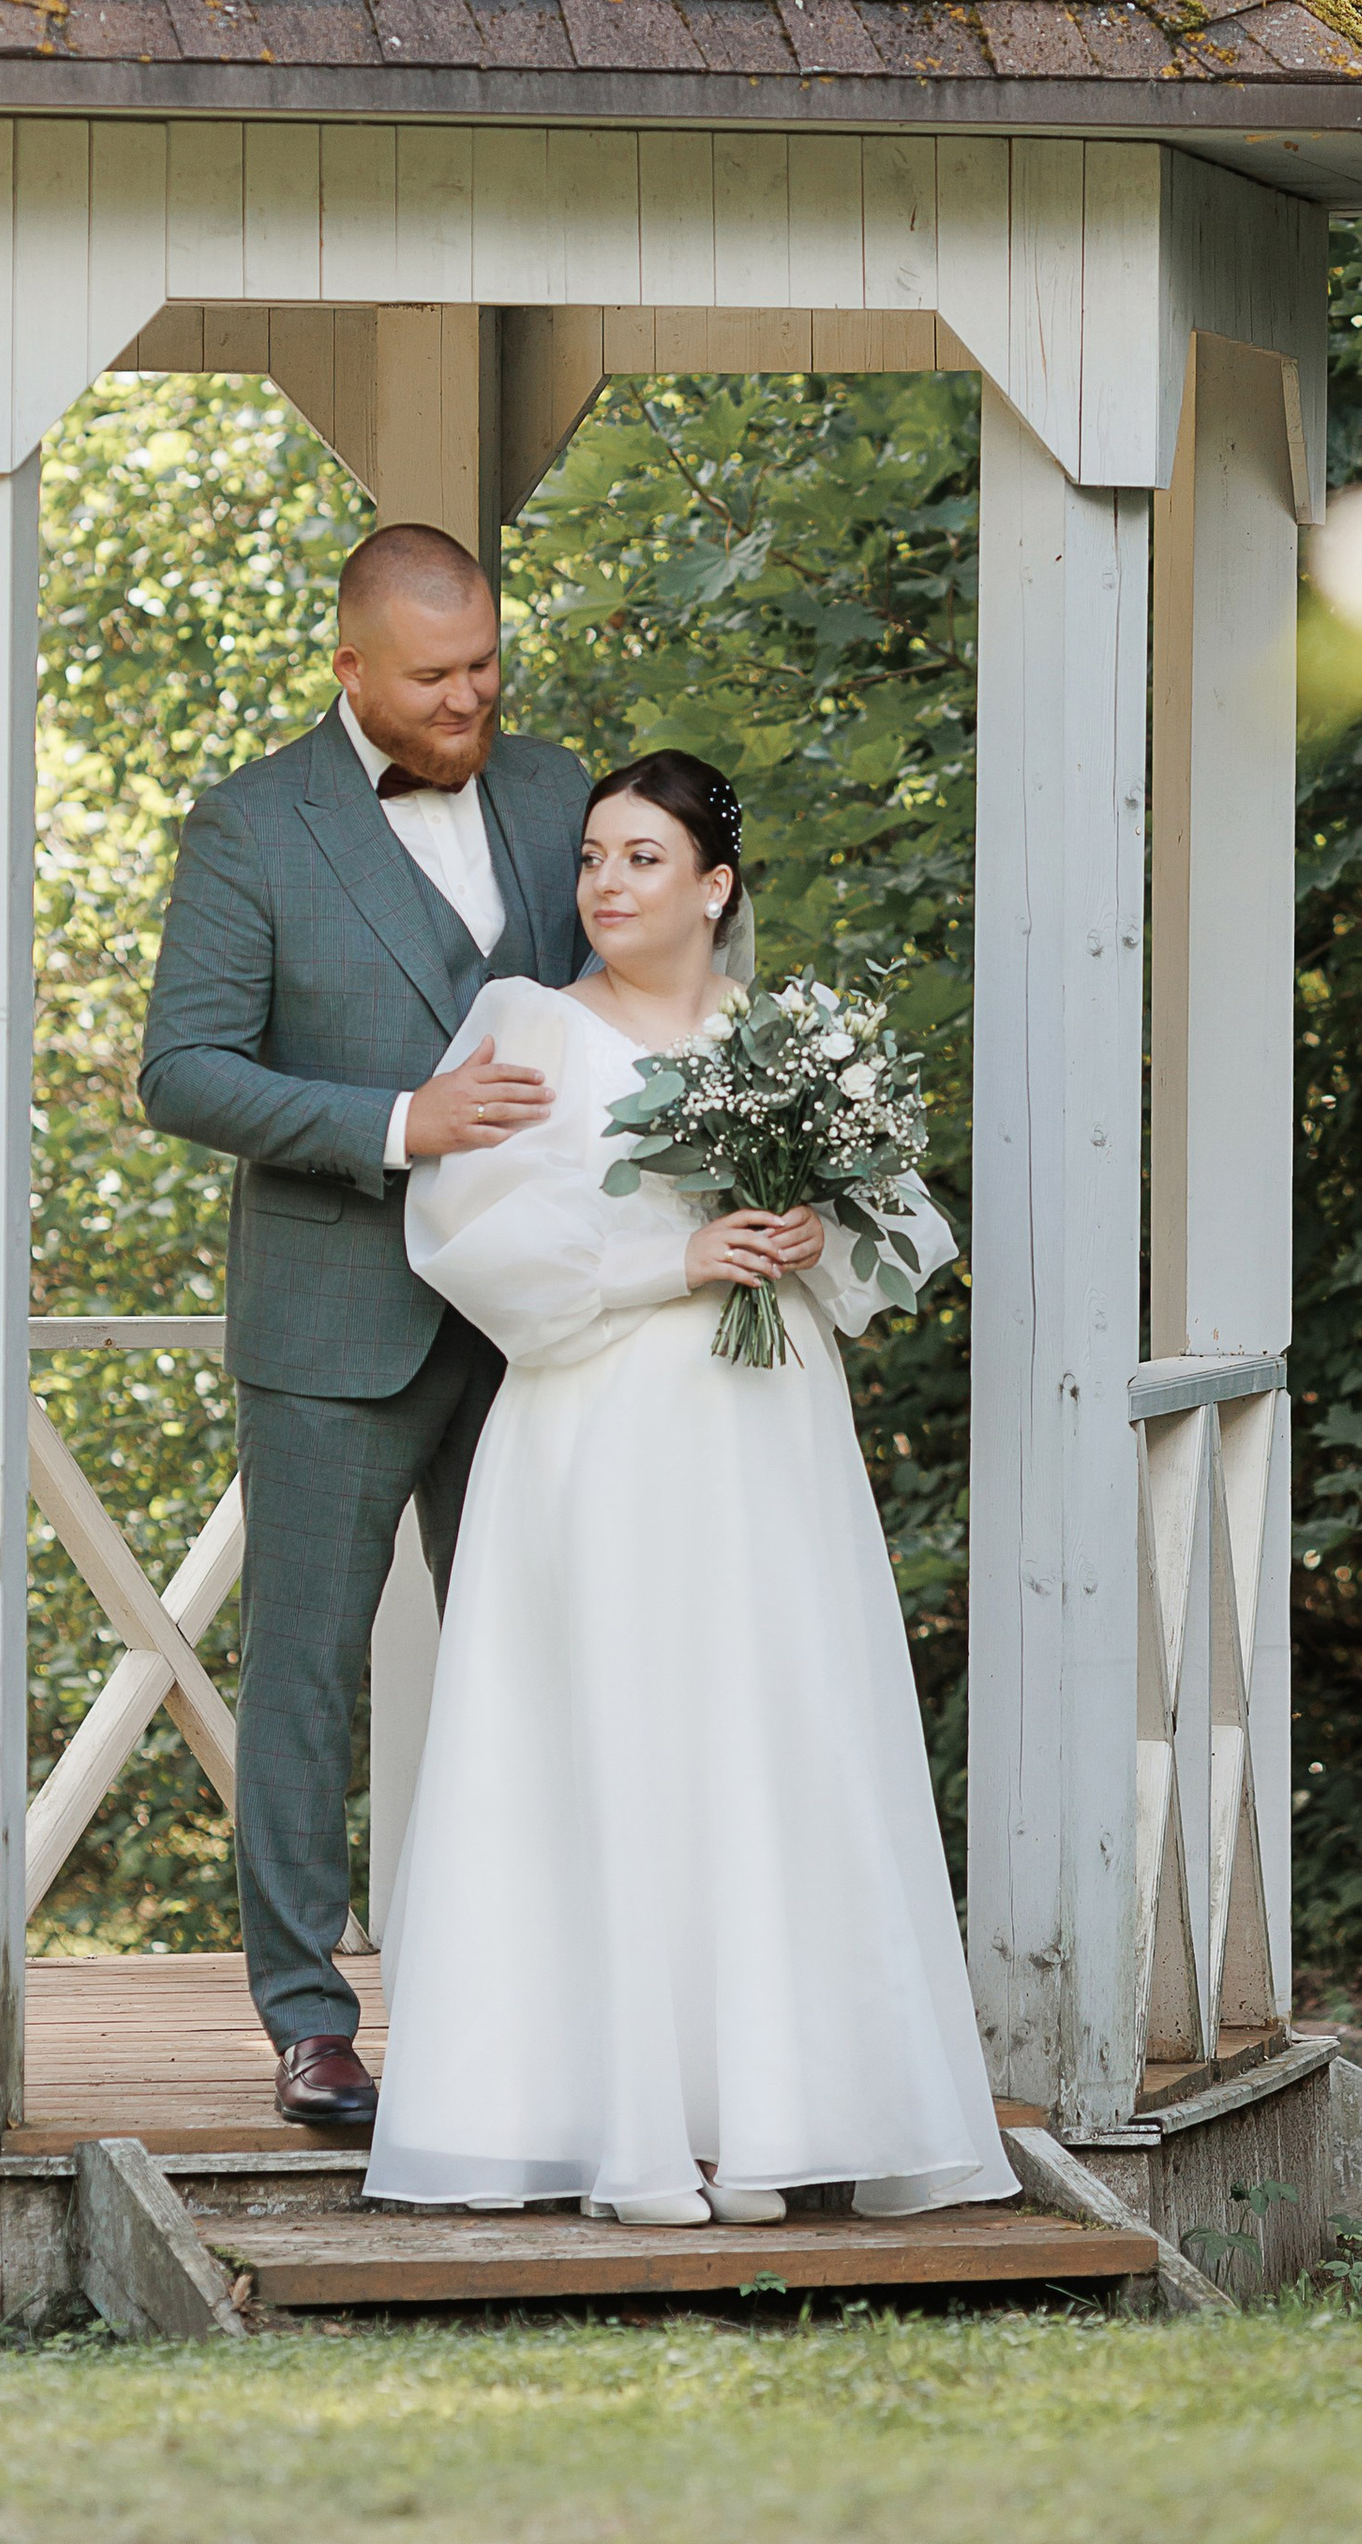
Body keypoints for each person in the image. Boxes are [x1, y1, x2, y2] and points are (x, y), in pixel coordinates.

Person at [364, 750, 1016, 2228]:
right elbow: (472, 1241)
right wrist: (677, 1257)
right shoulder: (528, 1029)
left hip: (765, 1430)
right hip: (597, 1432)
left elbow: (893, 1243)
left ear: (716, 886)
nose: (606, 883)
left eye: (643, 859)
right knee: (614, 1739)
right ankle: (626, 2131)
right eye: (593, 857)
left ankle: (764, 2120)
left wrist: (802, 1231)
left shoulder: (796, 1039)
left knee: (766, 1733)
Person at [137, 523, 592, 2128]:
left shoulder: (558, 795)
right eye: (434, 678)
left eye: (484, 666)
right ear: (348, 671)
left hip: (539, 1322)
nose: (472, 701)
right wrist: (403, 1121)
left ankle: (537, 1990)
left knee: (542, 1657)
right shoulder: (253, 826)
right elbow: (183, 1071)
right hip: (338, 1319)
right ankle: (310, 2023)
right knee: (310, 1679)